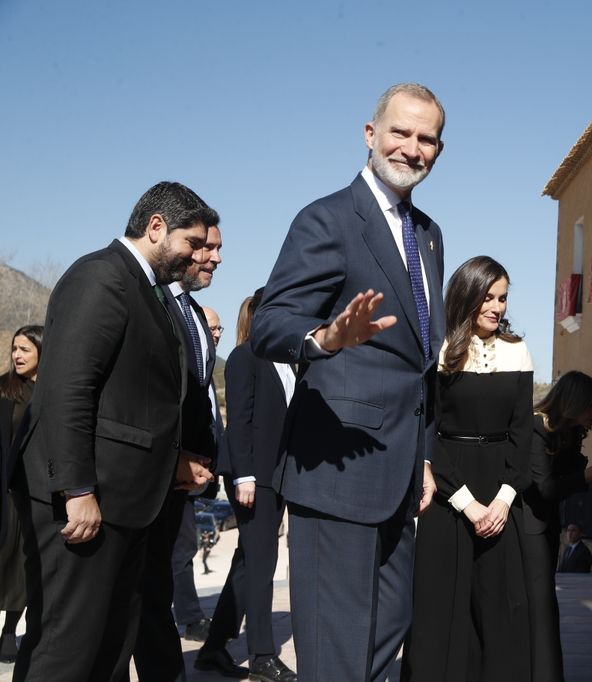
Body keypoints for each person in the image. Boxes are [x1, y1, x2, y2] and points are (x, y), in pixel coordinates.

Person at [250, 82, 445, 682]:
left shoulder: (428, 234)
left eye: (427, 139)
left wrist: (424, 459)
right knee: (336, 657)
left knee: (385, 644)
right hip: (334, 473)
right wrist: (326, 339)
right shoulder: (327, 218)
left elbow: (419, 364)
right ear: (370, 134)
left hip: (400, 478)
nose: (412, 148)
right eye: (401, 132)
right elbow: (270, 323)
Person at [10, 181, 217, 681]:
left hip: (126, 505)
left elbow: (132, 404)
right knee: (66, 650)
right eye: (192, 242)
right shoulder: (101, 277)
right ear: (156, 227)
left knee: (109, 648)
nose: (197, 254)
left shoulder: (148, 289)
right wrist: (76, 488)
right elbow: (68, 388)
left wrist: (172, 463)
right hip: (84, 503)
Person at [403, 255, 534, 682]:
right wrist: (466, 504)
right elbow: (428, 431)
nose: (497, 307)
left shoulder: (518, 351)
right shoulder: (438, 350)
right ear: (468, 296)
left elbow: (522, 433)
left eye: (503, 298)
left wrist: (502, 498)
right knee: (440, 615)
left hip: (501, 498)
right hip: (447, 497)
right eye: (489, 297)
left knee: (500, 613)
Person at [129, 223, 224, 682]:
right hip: (144, 477)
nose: (215, 258)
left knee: (156, 589)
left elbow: (198, 398)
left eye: (218, 249)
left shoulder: (197, 316)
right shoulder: (151, 303)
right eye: (205, 247)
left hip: (182, 481)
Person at [196, 288, 297, 682]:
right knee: (261, 566)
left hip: (281, 475)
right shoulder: (244, 357)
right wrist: (244, 476)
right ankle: (261, 657)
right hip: (253, 476)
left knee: (247, 563)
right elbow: (239, 421)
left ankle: (213, 649)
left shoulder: (289, 362)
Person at [519, 370, 592, 681]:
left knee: (544, 607)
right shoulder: (537, 427)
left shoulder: (568, 433)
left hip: (546, 526)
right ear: (575, 402)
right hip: (527, 528)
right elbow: (546, 488)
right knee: (537, 606)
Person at [0, 325, 42, 663]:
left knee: (25, 564)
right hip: (6, 489)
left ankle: (11, 631)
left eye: (25, 349)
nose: (17, 355)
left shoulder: (53, 391)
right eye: (15, 348)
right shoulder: (4, 389)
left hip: (36, 491)